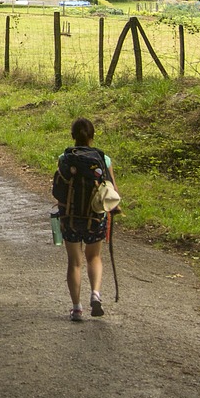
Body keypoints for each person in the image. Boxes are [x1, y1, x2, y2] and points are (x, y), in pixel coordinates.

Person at [53, 117, 116, 322]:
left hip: (70, 218)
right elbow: (111, 191)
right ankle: (96, 294)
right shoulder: (102, 159)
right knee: (94, 257)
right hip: (94, 218)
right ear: (92, 136)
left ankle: (76, 308)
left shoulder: (65, 158)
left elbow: (57, 190)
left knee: (74, 262)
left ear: (72, 136)